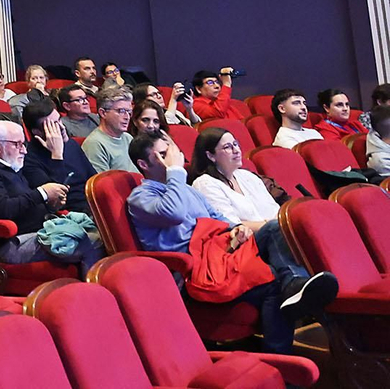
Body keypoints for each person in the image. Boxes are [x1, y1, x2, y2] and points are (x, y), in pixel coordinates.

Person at [126, 131, 336, 354]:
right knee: (271, 278)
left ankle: (296, 285)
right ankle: (280, 356)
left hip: (222, 250)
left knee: (276, 228)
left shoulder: (184, 189)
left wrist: (236, 228)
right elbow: (174, 212)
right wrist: (176, 172)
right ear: (143, 164)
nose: (171, 159)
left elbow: (215, 217)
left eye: (171, 152)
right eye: (162, 155)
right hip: (197, 268)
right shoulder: (140, 197)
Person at [0, 121, 104, 272]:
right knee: (91, 242)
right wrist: (42, 193)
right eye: (17, 144)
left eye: (23, 144)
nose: (24, 151)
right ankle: (93, 285)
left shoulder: (16, 170)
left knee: (99, 232)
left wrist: (51, 204)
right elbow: (4, 210)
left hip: (40, 231)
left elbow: (30, 205)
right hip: (14, 243)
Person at [190, 126, 287, 224]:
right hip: (253, 233)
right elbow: (228, 224)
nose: (236, 150)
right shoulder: (205, 184)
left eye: (235, 144)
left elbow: (274, 209)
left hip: (276, 228)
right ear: (210, 155)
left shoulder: (247, 176)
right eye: (227, 147)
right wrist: (269, 225)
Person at [18, 96, 94, 215]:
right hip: (71, 213)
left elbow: (93, 178)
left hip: (92, 204)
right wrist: (57, 155)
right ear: (37, 132)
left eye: (59, 120)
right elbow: (56, 200)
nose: (62, 127)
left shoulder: (71, 144)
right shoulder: (29, 159)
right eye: (53, 125)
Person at [82, 86, 135, 172]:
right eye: (121, 111)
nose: (127, 117)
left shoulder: (128, 138)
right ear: (103, 113)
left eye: (129, 112)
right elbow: (102, 180)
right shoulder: (94, 144)